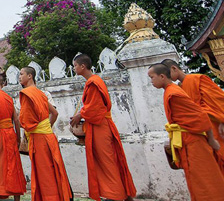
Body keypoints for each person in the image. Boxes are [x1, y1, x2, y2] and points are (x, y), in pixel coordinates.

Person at [148, 63, 224, 199]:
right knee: (197, 180)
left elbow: (201, 115)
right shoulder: (173, 91)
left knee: (205, 180)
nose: (151, 81)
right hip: (189, 138)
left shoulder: (175, 92)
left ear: (163, 75)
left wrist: (212, 137)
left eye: (152, 77)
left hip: (197, 139)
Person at [70, 54, 136, 201]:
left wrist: (79, 116)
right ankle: (120, 193)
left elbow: (95, 108)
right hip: (100, 126)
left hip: (100, 126)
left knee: (107, 161)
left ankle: (116, 195)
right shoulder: (94, 81)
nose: (74, 68)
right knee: (106, 160)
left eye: (75, 65)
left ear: (82, 66)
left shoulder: (93, 82)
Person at [163, 58, 224, 174]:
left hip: (215, 125)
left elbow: (219, 100)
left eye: (168, 74)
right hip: (199, 130)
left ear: (174, 68)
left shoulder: (198, 79)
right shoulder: (178, 88)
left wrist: (222, 120)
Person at [19, 67, 72, 201]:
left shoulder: (26, 93)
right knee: (53, 169)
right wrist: (45, 127)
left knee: (44, 174)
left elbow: (25, 122)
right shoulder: (41, 94)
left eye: (21, 74)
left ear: (30, 76)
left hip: (39, 139)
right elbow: (55, 113)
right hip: (49, 136)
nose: (19, 77)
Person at [0, 74, 26, 201]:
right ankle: (16, 198)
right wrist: (18, 138)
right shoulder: (8, 98)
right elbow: (16, 119)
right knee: (14, 165)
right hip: (11, 134)